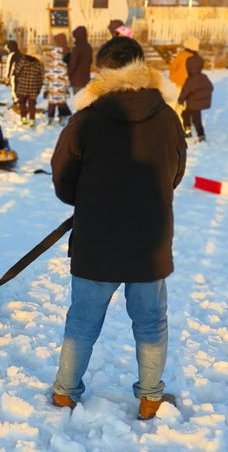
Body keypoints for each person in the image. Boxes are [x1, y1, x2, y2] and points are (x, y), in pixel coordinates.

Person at [50, 36, 187, 420]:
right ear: (142, 66)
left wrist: (89, 201)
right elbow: (175, 172)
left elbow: (62, 177)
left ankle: (64, 395)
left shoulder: (86, 119)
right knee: (150, 320)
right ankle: (150, 398)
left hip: (97, 238)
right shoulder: (168, 117)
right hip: (150, 240)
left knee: (82, 318)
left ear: (102, 71)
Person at [177, 54, 213, 142]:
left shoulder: (190, 79)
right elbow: (210, 87)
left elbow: (185, 91)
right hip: (198, 105)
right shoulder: (204, 77)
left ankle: (193, 133)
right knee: (193, 117)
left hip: (192, 104)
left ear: (188, 68)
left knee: (188, 116)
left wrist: (180, 100)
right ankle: (197, 134)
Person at [42, 37, 71, 125]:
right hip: (61, 89)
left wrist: (45, 89)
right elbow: (66, 78)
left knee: (52, 105)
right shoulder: (64, 65)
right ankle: (62, 117)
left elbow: (46, 78)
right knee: (61, 104)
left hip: (51, 90)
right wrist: (67, 88)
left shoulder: (49, 66)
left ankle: (50, 118)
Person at [13, 52, 44, 127]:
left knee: (22, 104)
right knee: (32, 105)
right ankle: (32, 120)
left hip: (22, 86)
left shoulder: (22, 61)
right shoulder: (38, 64)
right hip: (33, 87)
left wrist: (18, 80)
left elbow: (16, 71)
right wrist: (38, 88)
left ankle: (23, 117)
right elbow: (40, 77)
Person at [68, 26, 93, 95]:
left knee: (78, 100)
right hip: (86, 78)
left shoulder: (77, 48)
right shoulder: (88, 47)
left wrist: (68, 76)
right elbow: (90, 61)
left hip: (77, 79)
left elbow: (73, 64)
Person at [4, 39, 22, 105]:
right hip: (21, 74)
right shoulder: (20, 54)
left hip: (14, 74)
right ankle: (20, 101)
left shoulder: (11, 55)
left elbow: (9, 66)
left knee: (14, 88)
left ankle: (16, 101)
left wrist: (6, 77)